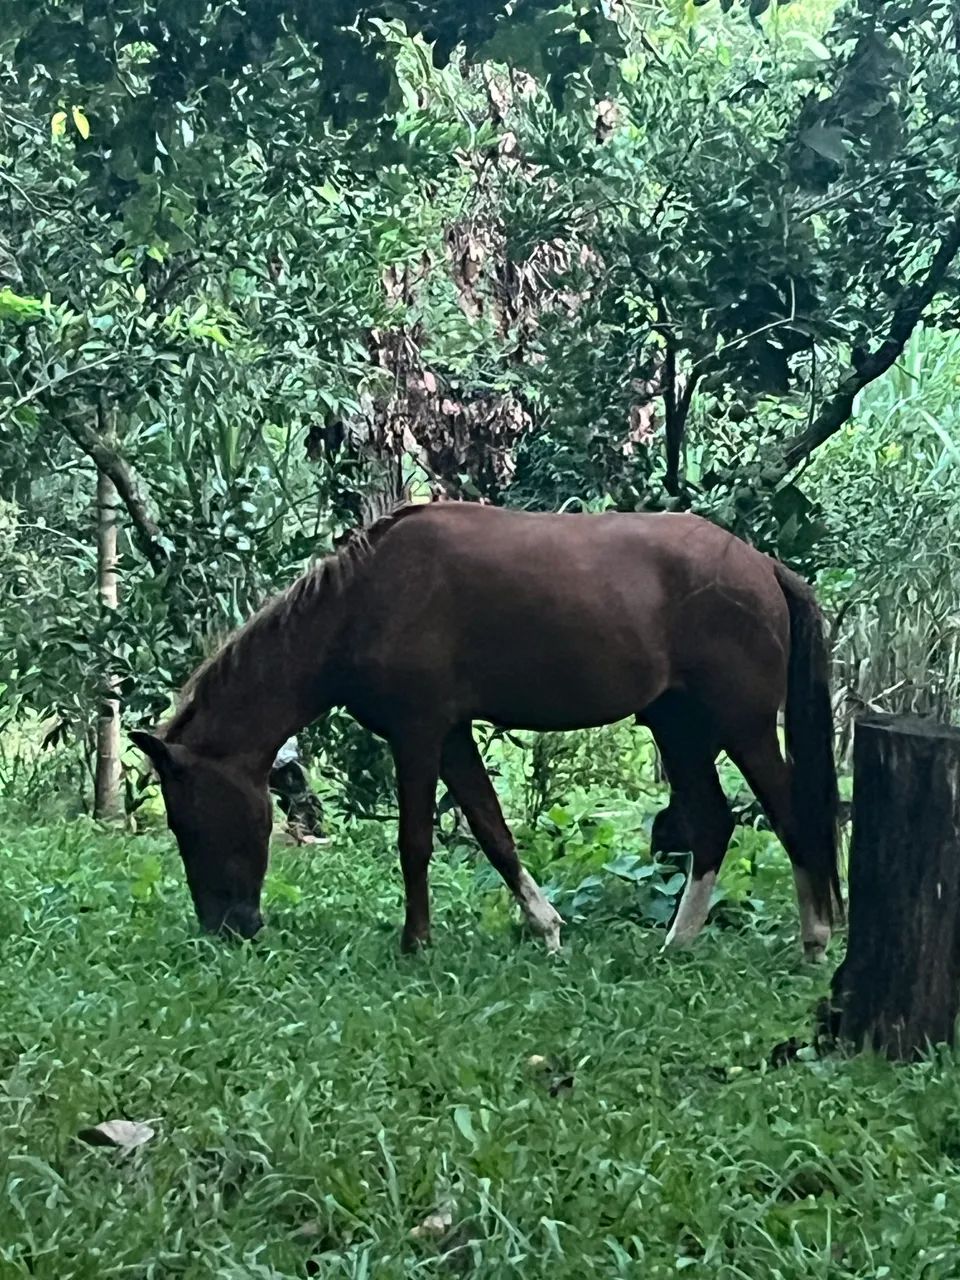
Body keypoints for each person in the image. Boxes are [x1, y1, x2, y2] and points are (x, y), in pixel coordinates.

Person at [268, 736, 326, 843]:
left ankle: (308, 831)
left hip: (280, 761)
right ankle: (307, 831)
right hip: (277, 760)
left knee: (300, 798)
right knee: (300, 798)